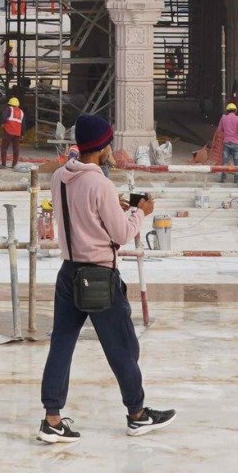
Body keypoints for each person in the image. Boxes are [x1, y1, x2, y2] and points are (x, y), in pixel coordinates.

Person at [37, 114, 175, 444]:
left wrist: (116, 205)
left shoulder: (59, 177)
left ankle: (52, 418)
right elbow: (122, 232)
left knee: (62, 345)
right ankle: (137, 414)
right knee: (122, 348)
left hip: (68, 272)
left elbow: (83, 210)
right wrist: (139, 211)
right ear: (101, 148)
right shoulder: (100, 183)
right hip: (99, 276)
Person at [213, 101, 238, 179]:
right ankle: (236, 179)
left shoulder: (224, 118)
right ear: (235, 111)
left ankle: (223, 178)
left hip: (226, 142)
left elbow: (219, 130)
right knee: (236, 162)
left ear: (227, 110)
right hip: (235, 143)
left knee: (225, 161)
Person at [0, 96, 25, 168]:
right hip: (17, 133)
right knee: (16, 149)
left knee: (4, 147)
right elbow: (23, 124)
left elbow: (3, 117)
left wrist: (2, 123)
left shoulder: (8, 109)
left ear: (10, 104)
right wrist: (22, 134)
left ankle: (3, 164)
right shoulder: (21, 112)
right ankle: (14, 165)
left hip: (8, 131)